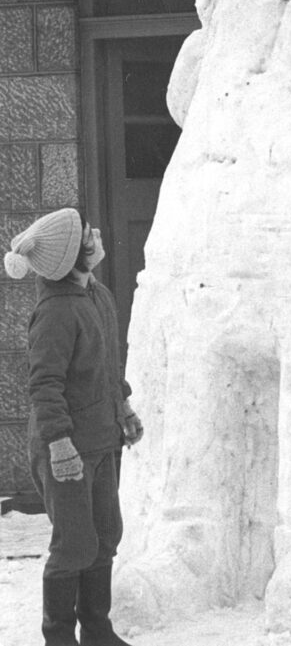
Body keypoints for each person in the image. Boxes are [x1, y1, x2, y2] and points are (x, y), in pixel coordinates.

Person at [4, 207, 143, 646]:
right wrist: (61, 446)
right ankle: (59, 636)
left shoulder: (96, 296)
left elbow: (103, 367)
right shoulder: (56, 313)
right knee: (75, 545)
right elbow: (44, 387)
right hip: (64, 448)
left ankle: (97, 630)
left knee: (105, 537)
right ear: (73, 256)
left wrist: (124, 407)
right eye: (87, 234)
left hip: (101, 440)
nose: (97, 234)